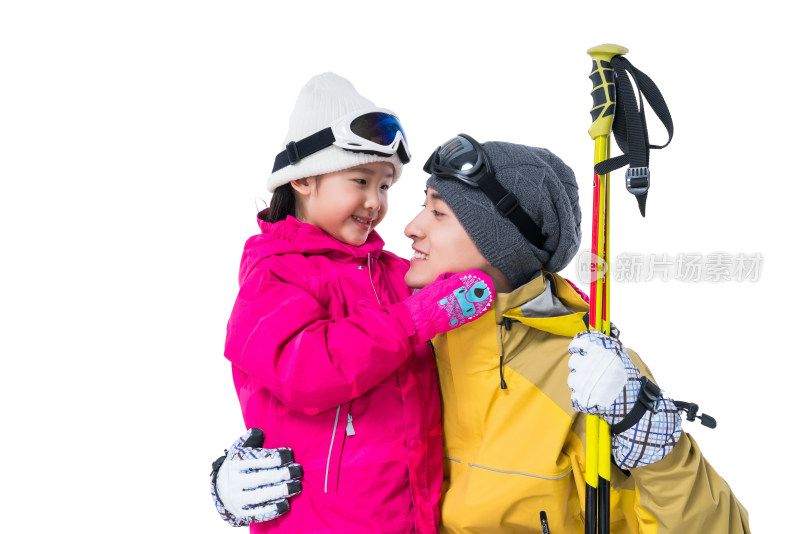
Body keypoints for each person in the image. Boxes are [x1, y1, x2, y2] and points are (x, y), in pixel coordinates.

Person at [214, 133, 750, 532]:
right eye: (422, 204)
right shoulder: (412, 328)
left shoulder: (584, 372)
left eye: (438, 213)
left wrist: (649, 434)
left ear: (499, 245)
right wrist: (242, 480)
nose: (408, 227)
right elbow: (316, 383)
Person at [211, 75, 495, 533]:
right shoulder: (274, 276)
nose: (374, 202)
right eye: (360, 180)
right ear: (302, 178)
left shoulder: (391, 273)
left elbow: (491, 283)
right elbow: (306, 372)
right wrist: (414, 319)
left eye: (385, 186)